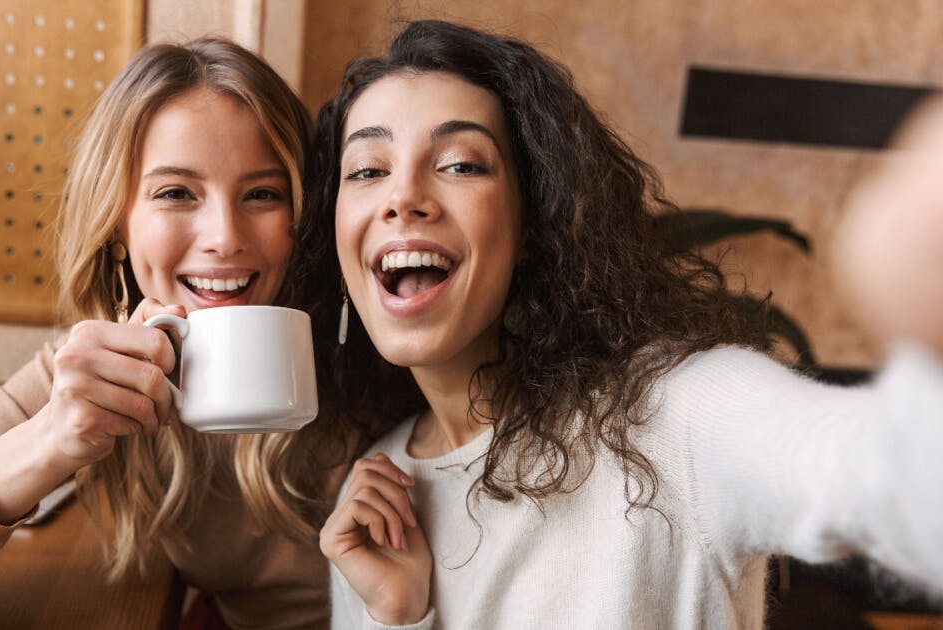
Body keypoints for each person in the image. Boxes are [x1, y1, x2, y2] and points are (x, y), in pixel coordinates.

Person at [294, 20, 943, 629]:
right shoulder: (375, 491)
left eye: (461, 163)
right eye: (368, 171)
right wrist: (398, 615)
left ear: (531, 224)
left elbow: (877, 475)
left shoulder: (678, 410)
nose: (402, 197)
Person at [0, 37, 347, 630]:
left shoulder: (365, 358)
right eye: (176, 193)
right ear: (117, 225)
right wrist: (48, 440)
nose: (225, 236)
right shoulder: (96, 371)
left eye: (262, 193)